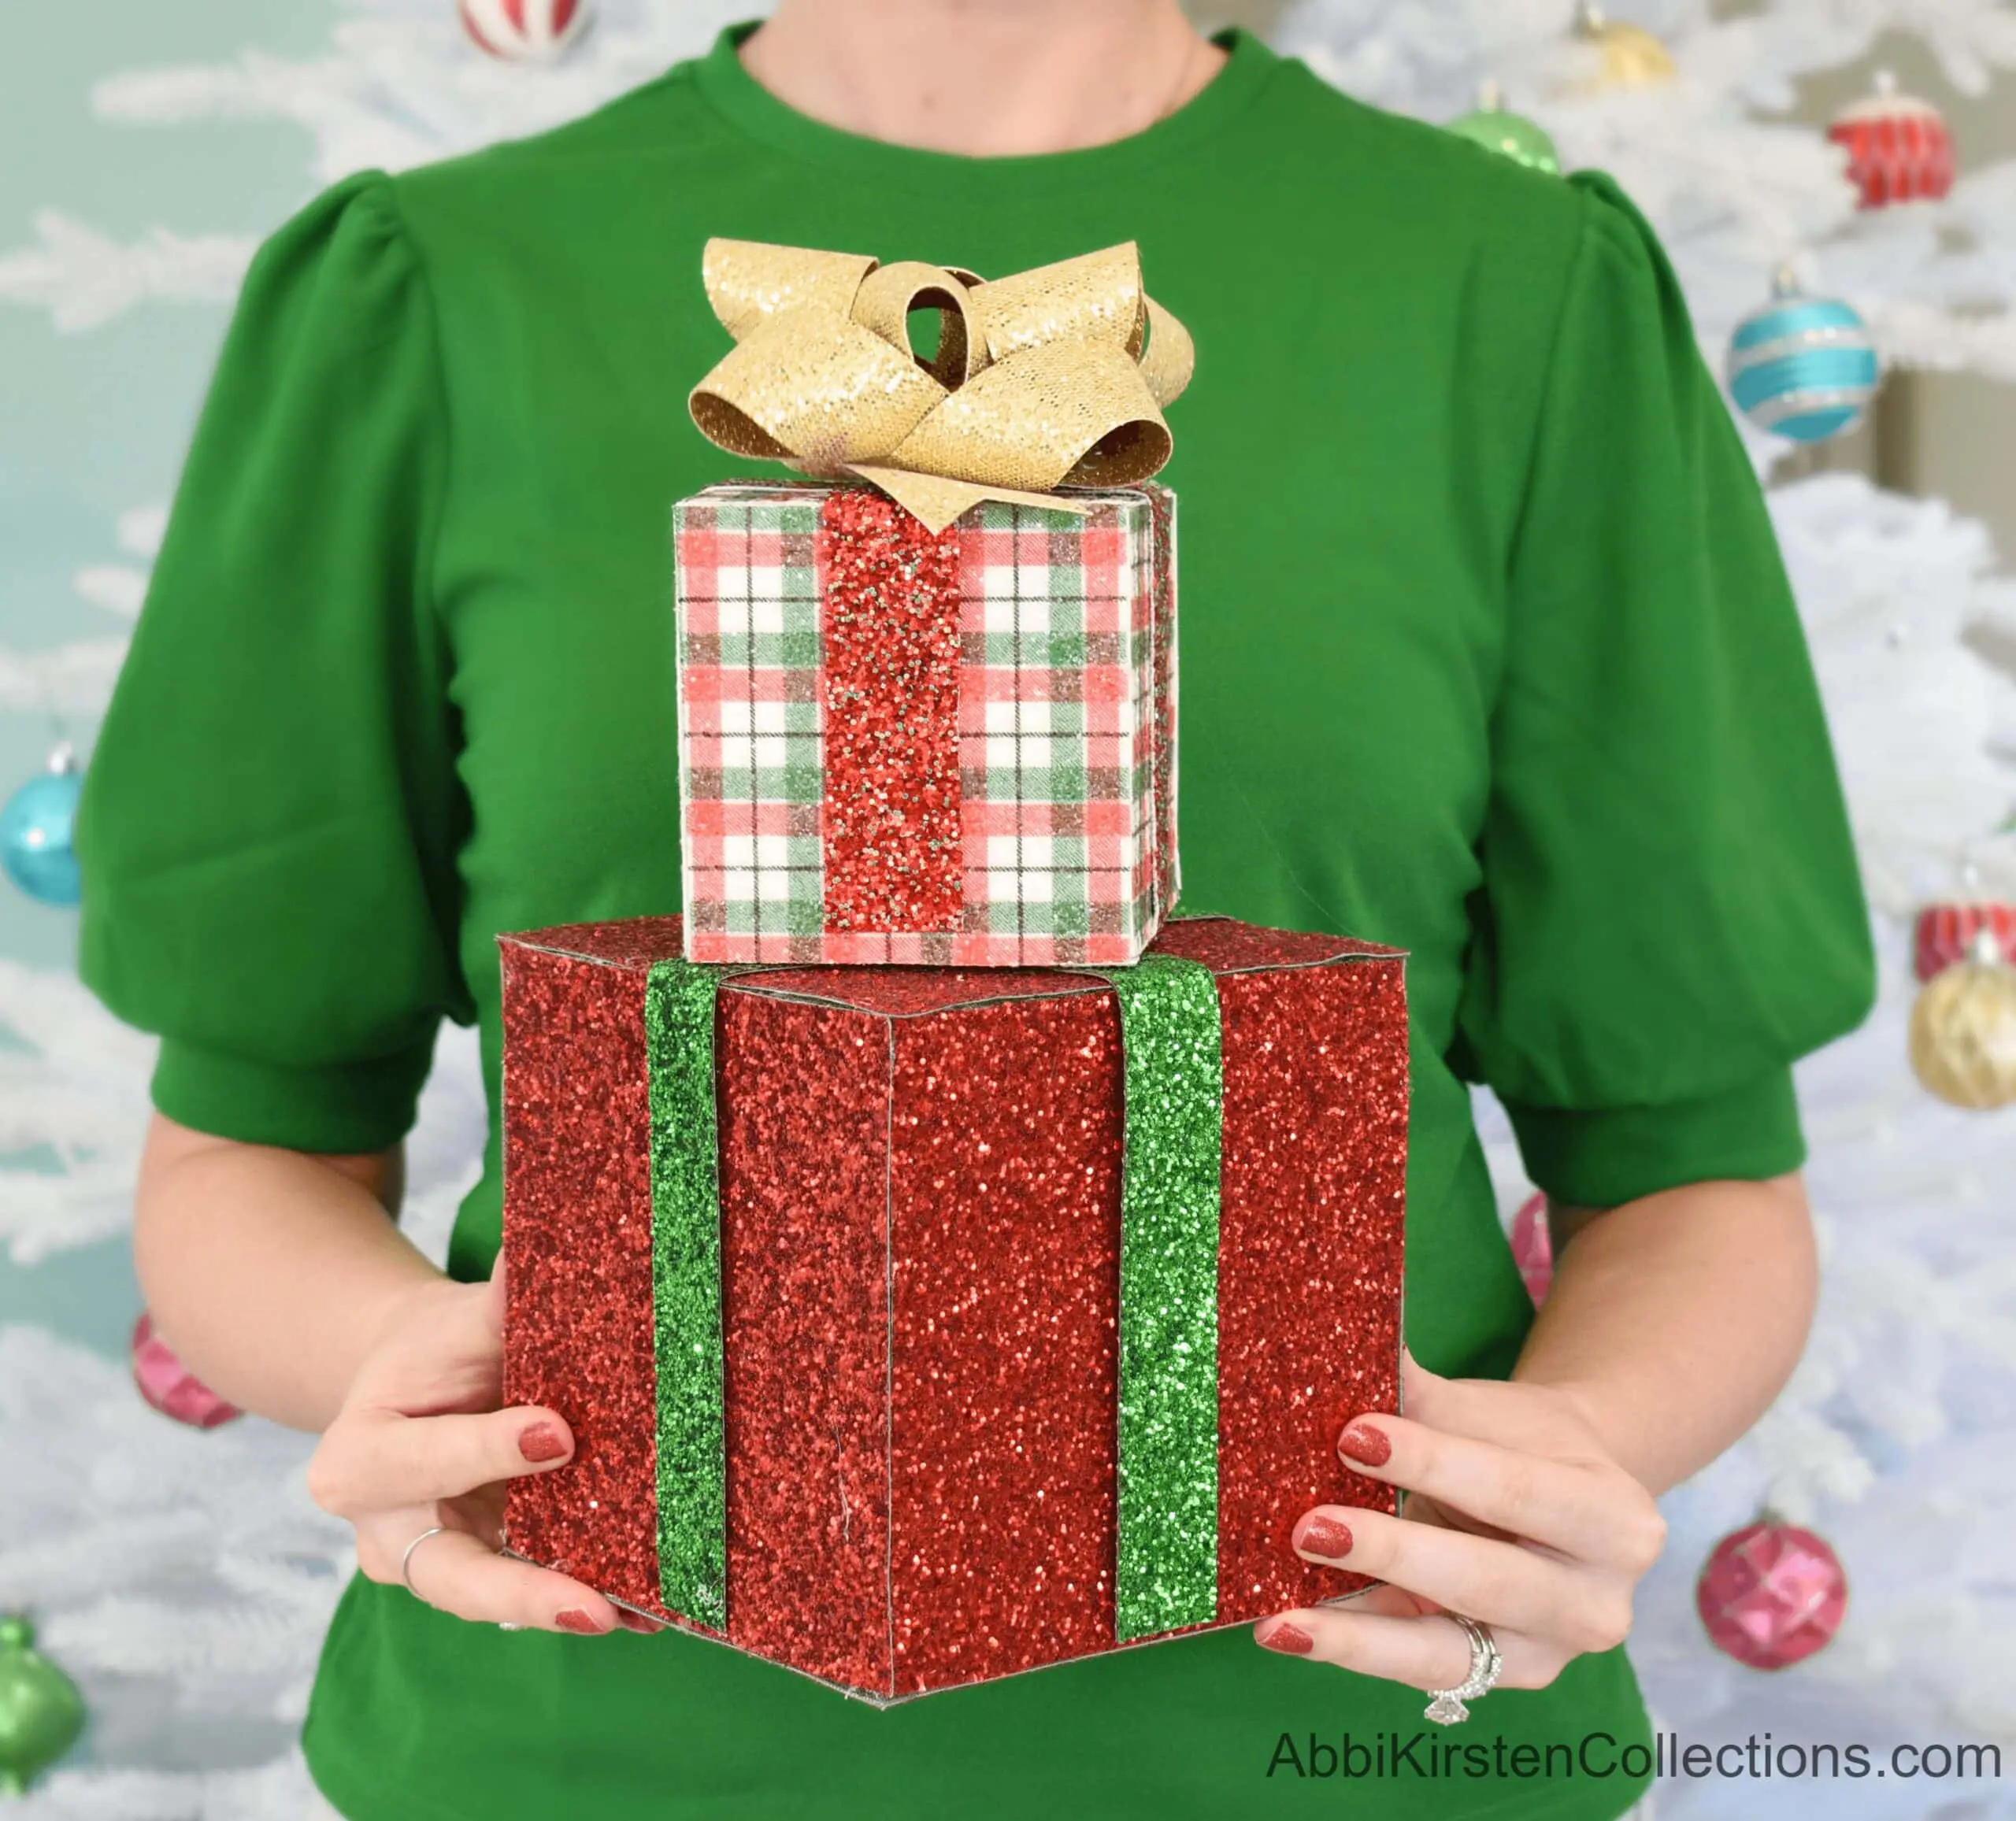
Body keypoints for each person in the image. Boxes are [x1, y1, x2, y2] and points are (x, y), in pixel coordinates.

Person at [76, 2, 1874, 1818]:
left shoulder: (1515, 286)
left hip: (1345, 1747)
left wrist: (1569, 1451)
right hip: (593, 1745)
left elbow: (1693, 1170)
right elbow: (248, 1142)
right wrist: (396, 1365)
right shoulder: (436, 285)